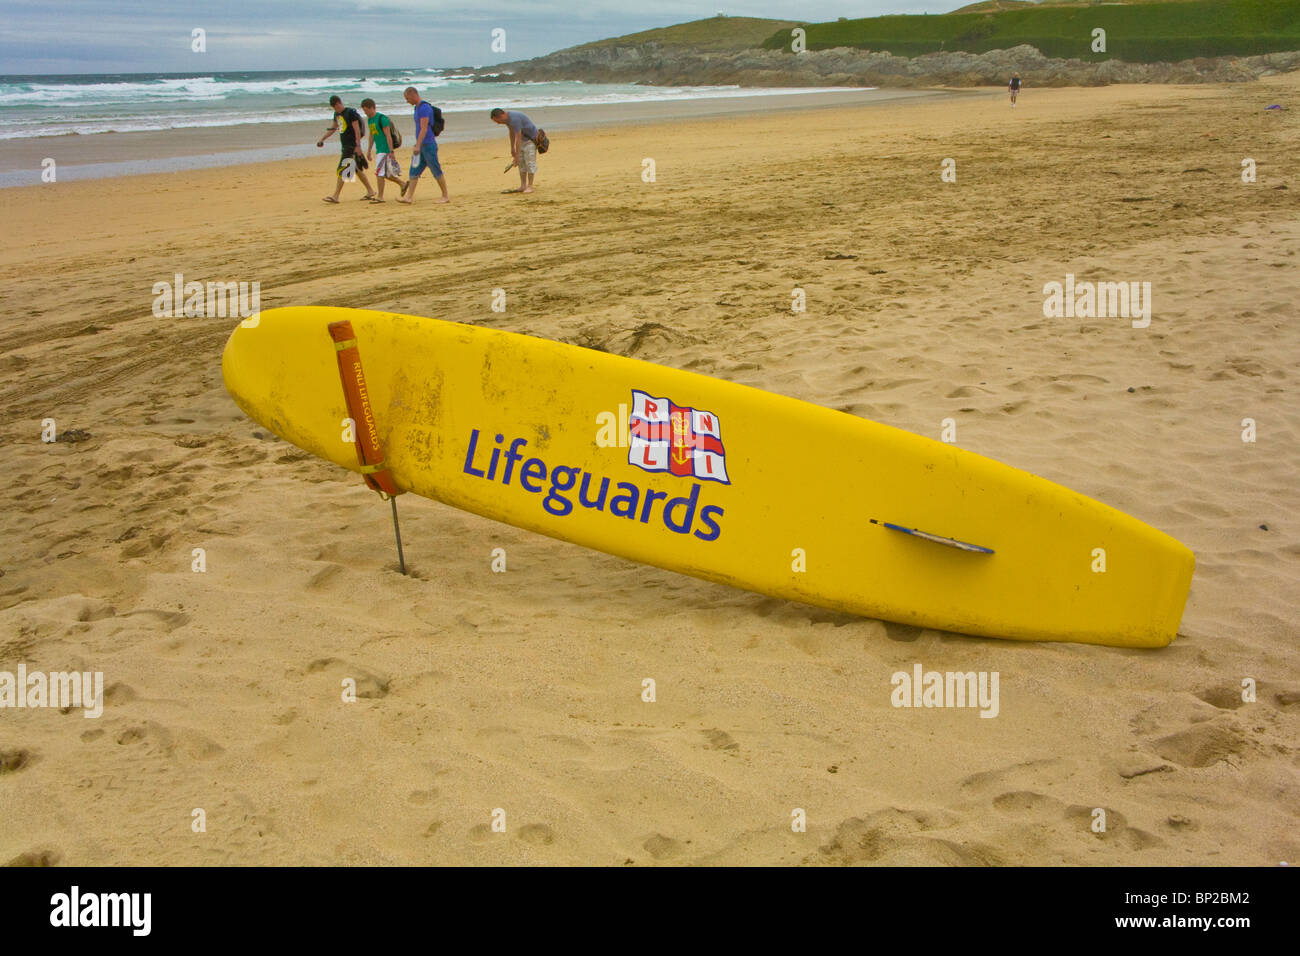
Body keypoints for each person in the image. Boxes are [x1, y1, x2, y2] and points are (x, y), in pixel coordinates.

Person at [318, 95, 376, 203]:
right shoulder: (337, 114)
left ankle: (335, 196)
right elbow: (333, 128)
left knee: (342, 168)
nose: (336, 109)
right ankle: (371, 191)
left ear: (339, 103)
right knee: (357, 170)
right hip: (345, 145)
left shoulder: (350, 113)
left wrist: (358, 146)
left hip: (352, 146)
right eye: (334, 108)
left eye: (336, 106)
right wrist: (322, 139)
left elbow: (357, 130)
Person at [398, 87, 449, 205]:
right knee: (414, 170)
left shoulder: (425, 108)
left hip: (428, 144)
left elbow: (424, 128)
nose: (407, 101)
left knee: (435, 169)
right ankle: (409, 197)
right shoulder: (417, 108)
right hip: (421, 145)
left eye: (407, 98)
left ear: (413, 95)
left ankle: (445, 195)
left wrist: (418, 145)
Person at [361, 98, 406, 202]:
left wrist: (391, 151)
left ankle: (380, 197)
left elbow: (388, 136)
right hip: (379, 149)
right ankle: (402, 184)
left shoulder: (382, 119)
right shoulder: (370, 120)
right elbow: (372, 135)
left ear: (372, 108)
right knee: (386, 174)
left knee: (379, 173)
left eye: (366, 110)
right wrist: (369, 150)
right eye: (364, 111)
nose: (365, 113)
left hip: (385, 150)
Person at [491, 107, 540, 194]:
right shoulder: (507, 120)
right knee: (521, 163)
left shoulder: (514, 119)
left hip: (530, 141)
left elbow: (518, 136)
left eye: (498, 121)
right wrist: (512, 148)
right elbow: (511, 132)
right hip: (522, 141)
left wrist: (516, 156)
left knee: (529, 163)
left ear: (501, 116)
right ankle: (523, 185)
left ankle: (530, 186)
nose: (498, 123)